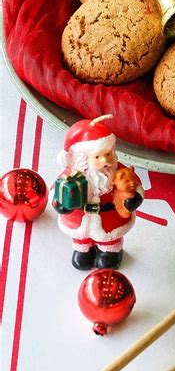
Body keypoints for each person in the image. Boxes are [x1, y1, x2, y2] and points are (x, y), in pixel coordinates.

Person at [52, 115, 143, 270]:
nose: (105, 161)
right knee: (81, 240)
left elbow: (136, 187)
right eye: (97, 157)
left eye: (108, 154)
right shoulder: (71, 177)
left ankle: (110, 253)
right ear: (83, 158)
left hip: (110, 218)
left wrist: (134, 199)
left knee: (110, 241)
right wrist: (62, 204)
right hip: (79, 219)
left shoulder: (119, 172)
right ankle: (83, 251)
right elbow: (56, 192)